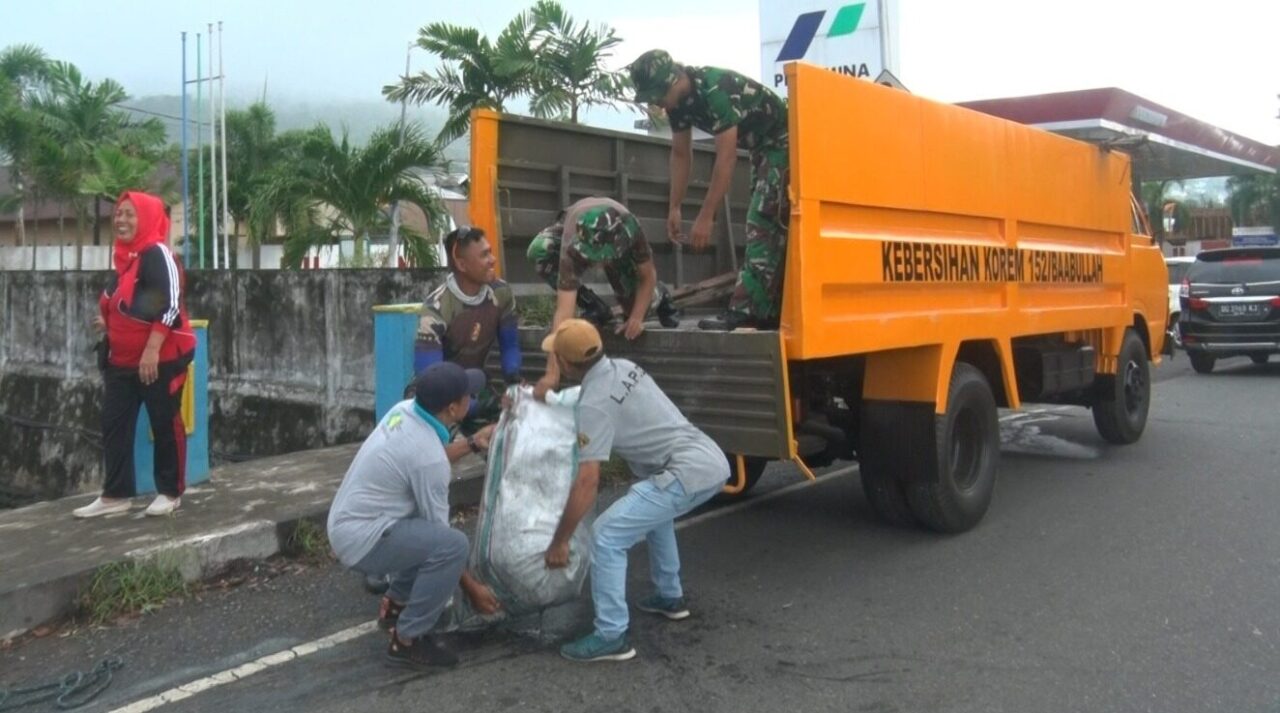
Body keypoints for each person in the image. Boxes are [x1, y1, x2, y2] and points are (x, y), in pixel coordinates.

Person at [536, 319, 729, 662]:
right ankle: (669, 596)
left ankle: (610, 634)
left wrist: (560, 540)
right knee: (653, 515)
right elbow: (594, 400)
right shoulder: (625, 367)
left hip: (683, 471)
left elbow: (587, 482)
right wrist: (546, 398)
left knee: (607, 535)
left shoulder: (593, 405)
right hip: (707, 458)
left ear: (566, 363)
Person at [327, 362, 502, 670]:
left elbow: (427, 456)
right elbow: (441, 537)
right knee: (452, 546)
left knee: (427, 536)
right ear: (452, 408)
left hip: (353, 521)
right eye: (468, 396)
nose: (471, 400)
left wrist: (473, 442)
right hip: (362, 539)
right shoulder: (427, 459)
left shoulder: (407, 410)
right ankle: (407, 639)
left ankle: (394, 606)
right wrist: (473, 590)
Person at [627, 49, 790, 331]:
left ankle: (747, 311)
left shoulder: (716, 89)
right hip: (760, 149)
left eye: (657, 94)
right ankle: (769, 308)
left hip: (783, 141)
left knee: (763, 222)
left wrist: (706, 216)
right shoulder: (677, 104)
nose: (656, 101)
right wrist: (675, 206)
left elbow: (725, 157)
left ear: (674, 80)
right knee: (770, 225)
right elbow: (680, 154)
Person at [74, 191, 196, 519]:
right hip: (122, 362)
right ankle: (115, 494)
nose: (121, 220)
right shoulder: (128, 259)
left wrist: (152, 351)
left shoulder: (157, 253)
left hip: (159, 359)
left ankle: (170, 492)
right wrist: (109, 322)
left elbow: (169, 305)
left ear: (146, 218)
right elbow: (140, 305)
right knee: (114, 424)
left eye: (130, 214)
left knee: (164, 420)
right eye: (118, 214)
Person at [414, 226, 521, 432]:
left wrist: (514, 379)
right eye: (484, 255)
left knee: (510, 435)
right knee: (437, 453)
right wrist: (486, 405)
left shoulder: (502, 293)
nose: (492, 260)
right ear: (462, 264)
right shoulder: (435, 311)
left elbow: (510, 345)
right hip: (437, 399)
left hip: (475, 385)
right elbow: (431, 384)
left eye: (490, 252)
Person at [526, 197, 680, 340]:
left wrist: (636, 318)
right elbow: (564, 312)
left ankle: (659, 295)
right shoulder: (571, 242)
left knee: (633, 308)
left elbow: (648, 275)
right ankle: (593, 305)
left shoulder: (630, 229)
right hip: (574, 229)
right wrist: (554, 366)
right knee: (540, 250)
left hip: (618, 247)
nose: (596, 263)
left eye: (601, 258)